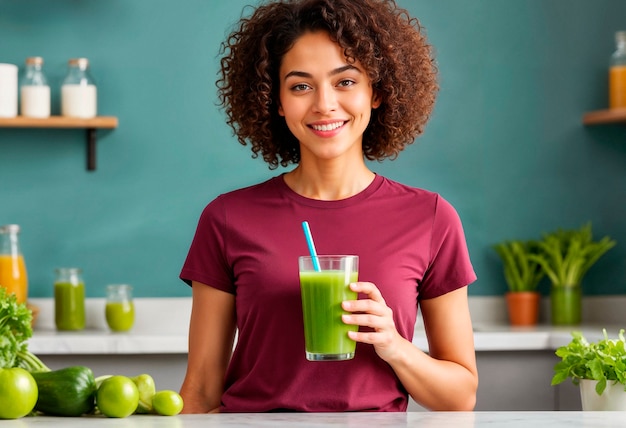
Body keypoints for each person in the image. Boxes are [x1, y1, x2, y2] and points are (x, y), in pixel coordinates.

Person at [179, 0, 478, 413]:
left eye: (345, 82)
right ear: (276, 101)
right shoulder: (227, 218)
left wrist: (394, 346)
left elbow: (460, 397)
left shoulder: (430, 218)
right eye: (301, 85)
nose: (324, 104)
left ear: (376, 91)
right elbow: (200, 389)